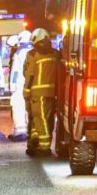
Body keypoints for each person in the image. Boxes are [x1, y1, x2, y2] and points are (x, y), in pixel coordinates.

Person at [23, 27, 60, 156]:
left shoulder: (33, 54)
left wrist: (26, 92)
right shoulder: (55, 53)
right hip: (52, 92)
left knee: (38, 117)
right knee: (46, 118)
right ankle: (35, 140)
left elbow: (29, 75)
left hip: (37, 93)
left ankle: (44, 147)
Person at [8, 30, 33, 141]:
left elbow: (15, 71)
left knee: (18, 106)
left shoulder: (19, 53)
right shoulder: (35, 52)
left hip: (20, 84)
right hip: (32, 84)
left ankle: (20, 131)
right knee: (31, 108)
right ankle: (31, 131)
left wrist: (12, 86)